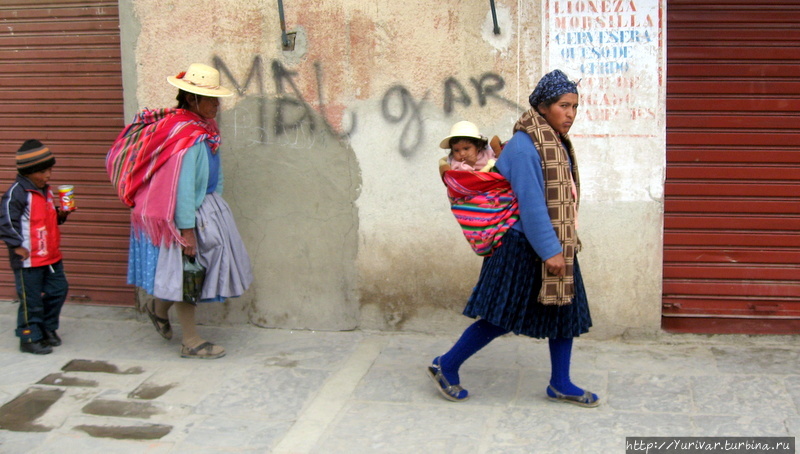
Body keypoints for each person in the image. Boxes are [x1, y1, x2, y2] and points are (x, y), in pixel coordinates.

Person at [427, 69, 598, 407]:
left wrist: (559, 245)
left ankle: (560, 382)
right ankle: (446, 364)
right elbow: (531, 202)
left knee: (564, 313)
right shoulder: (524, 146)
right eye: (564, 106)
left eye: (575, 107)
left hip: (554, 242)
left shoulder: (553, 140)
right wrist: (551, 251)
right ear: (544, 106)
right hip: (523, 246)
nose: (571, 114)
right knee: (499, 316)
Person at [107, 63, 253, 359]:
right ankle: (191, 340)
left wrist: (215, 206)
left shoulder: (203, 130)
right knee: (189, 275)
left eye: (216, 99)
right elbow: (183, 187)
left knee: (185, 273)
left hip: (205, 208)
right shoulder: (187, 136)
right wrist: (187, 229)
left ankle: (157, 309)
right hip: (183, 214)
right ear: (191, 99)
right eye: (210, 99)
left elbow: (215, 173)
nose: (216, 105)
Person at [0, 140, 71, 355]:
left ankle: (47, 328)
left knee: (58, 291)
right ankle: (29, 336)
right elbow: (6, 221)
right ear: (28, 172)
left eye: (50, 169)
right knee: (31, 300)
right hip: (28, 259)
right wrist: (16, 246)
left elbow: (46, 219)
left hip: (51, 255)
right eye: (43, 171)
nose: (48, 175)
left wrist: (61, 215)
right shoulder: (17, 193)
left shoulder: (46, 191)